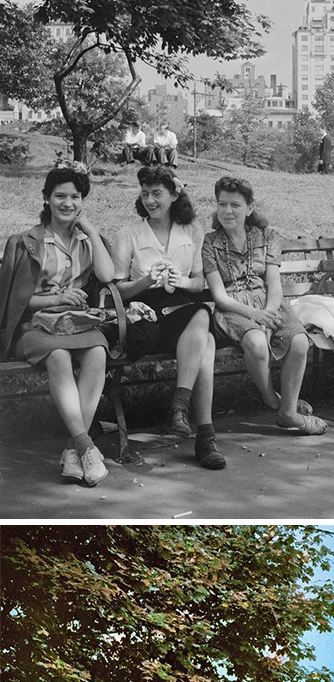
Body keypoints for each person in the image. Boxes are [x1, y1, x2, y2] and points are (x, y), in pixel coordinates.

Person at [0, 165, 114, 486]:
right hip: (36, 328)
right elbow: (14, 304)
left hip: (75, 325)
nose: (68, 203)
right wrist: (55, 300)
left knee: (97, 353)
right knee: (59, 356)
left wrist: (91, 231)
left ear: (82, 201)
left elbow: (107, 277)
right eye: (60, 196)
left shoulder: (89, 241)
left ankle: (73, 450)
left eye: (75, 197)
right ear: (47, 199)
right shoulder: (25, 243)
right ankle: (86, 446)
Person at [113, 166, 225, 468]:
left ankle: (184, 413)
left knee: (200, 315)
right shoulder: (129, 235)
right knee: (207, 341)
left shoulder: (192, 231)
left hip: (182, 310)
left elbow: (199, 283)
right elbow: (116, 292)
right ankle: (202, 434)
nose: (150, 200)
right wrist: (145, 282)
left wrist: (181, 282)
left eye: (157, 193)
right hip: (145, 317)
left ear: (174, 195)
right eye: (145, 193)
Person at [201, 175, 325, 436]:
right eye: (222, 204)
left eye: (235, 205)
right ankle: (274, 401)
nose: (227, 211)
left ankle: (288, 412)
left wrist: (268, 311)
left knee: (300, 341)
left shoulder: (268, 236)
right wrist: (254, 314)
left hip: (271, 302)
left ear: (249, 207)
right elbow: (219, 295)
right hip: (234, 308)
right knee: (257, 344)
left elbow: (274, 283)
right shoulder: (210, 243)